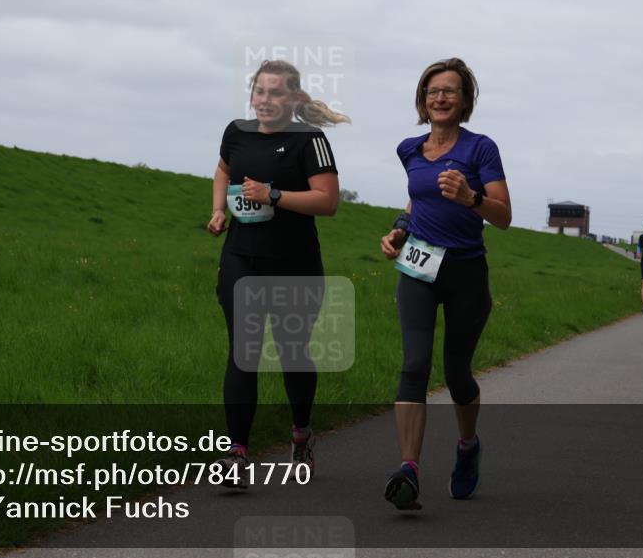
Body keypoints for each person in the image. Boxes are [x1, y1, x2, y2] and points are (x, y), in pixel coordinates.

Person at [207, 59, 348, 486]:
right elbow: (222, 171)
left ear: (294, 98)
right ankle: (236, 456)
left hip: (295, 266)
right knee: (243, 353)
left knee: (292, 353)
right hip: (241, 259)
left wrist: (273, 194)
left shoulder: (310, 140)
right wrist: (217, 210)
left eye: (275, 92)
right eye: (260, 91)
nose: (265, 100)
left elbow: (328, 201)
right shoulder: (236, 132)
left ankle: (301, 434)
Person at [379, 58, 511, 509]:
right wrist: (399, 229)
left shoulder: (481, 149)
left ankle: (468, 446)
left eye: (450, 91)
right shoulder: (409, 149)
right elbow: (417, 203)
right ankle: (409, 470)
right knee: (414, 365)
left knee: (456, 372)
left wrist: (471, 197)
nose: (440, 98)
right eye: (433, 91)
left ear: (465, 100)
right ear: (422, 99)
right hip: (420, 266)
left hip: (466, 272)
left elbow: (504, 216)